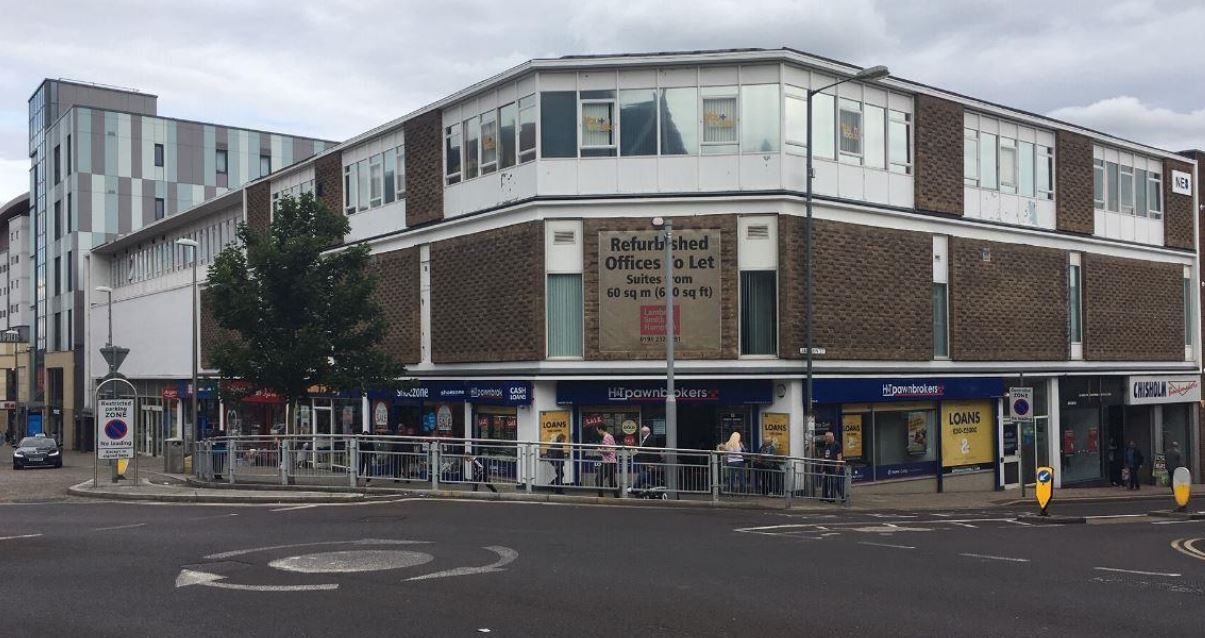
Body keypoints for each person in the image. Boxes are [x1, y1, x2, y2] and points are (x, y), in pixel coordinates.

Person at [597, 425, 618, 497]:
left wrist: (600, 450)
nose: (598, 433)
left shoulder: (606, 438)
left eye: (598, 430)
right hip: (612, 461)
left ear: (600, 429)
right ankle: (617, 496)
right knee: (612, 481)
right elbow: (613, 448)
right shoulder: (610, 436)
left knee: (598, 479)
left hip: (607, 462)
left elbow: (608, 451)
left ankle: (601, 496)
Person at [821, 431, 844, 502]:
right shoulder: (826, 445)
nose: (825, 438)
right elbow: (824, 456)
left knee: (836, 483)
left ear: (831, 437)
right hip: (827, 467)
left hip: (834, 467)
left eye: (826, 437)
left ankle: (843, 496)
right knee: (826, 482)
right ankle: (827, 497)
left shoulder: (837, 445)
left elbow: (839, 456)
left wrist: (838, 466)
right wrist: (822, 466)